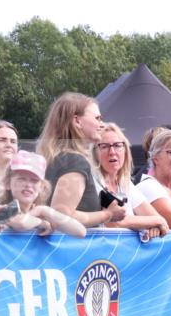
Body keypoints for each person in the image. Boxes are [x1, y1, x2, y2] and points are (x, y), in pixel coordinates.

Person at [38, 92, 127, 228]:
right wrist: (108, 214)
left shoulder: (54, 159)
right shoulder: (74, 161)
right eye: (97, 118)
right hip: (75, 247)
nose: (102, 124)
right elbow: (61, 216)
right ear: (77, 121)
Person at [93, 123, 169, 240]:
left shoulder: (125, 183)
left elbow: (154, 216)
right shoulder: (93, 183)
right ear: (95, 153)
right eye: (104, 146)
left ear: (125, 151)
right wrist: (155, 221)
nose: (112, 151)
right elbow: (115, 223)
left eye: (118, 145)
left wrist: (155, 224)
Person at [0, 150, 86, 237]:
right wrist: (41, 222)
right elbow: (21, 223)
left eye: (34, 180)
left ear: (42, 187)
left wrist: (42, 210)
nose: (28, 185)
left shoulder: (41, 210)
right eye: (21, 179)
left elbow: (80, 231)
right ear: (7, 183)